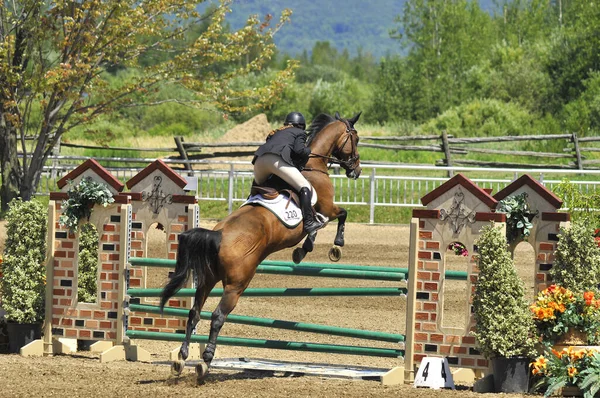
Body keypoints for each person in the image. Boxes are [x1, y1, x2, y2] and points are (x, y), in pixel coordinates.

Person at [252, 112, 323, 234]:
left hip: (259, 161)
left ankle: (249, 202)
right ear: (301, 125)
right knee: (304, 187)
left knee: (258, 186)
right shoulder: (299, 132)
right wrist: (308, 150)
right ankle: (309, 223)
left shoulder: (275, 132)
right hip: (276, 161)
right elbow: (299, 150)